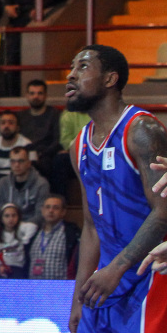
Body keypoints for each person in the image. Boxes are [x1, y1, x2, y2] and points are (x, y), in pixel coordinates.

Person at [61, 46, 167, 333]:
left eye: (82, 67)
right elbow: (90, 227)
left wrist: (117, 268)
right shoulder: (78, 145)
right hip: (104, 283)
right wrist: (78, 298)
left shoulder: (142, 130)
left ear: (110, 79)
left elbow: (164, 211)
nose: (70, 75)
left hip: (151, 276)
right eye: (72, 67)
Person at [27, 194, 79, 280]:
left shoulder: (71, 234)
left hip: (60, 288)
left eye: (56, 208)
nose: (51, 210)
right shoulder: (33, 234)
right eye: (47, 207)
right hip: (35, 287)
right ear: (42, 210)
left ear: (63, 212)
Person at [0, 146, 50, 224]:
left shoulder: (41, 184)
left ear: (29, 163)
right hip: (7, 228)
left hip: (31, 228)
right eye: (13, 161)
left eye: (21, 161)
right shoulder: (2, 183)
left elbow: (40, 214)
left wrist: (22, 227)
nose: (16, 165)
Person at [0, 202, 37, 279]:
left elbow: (33, 227)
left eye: (14, 215)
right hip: (0, 267)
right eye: (7, 216)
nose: (10, 219)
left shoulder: (21, 229)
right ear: (1, 218)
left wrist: (24, 239)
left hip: (17, 267)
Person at [0, 112, 35, 180]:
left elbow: (33, 172)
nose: (6, 126)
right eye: (3, 123)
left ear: (17, 127)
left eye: (11, 123)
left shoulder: (27, 145)